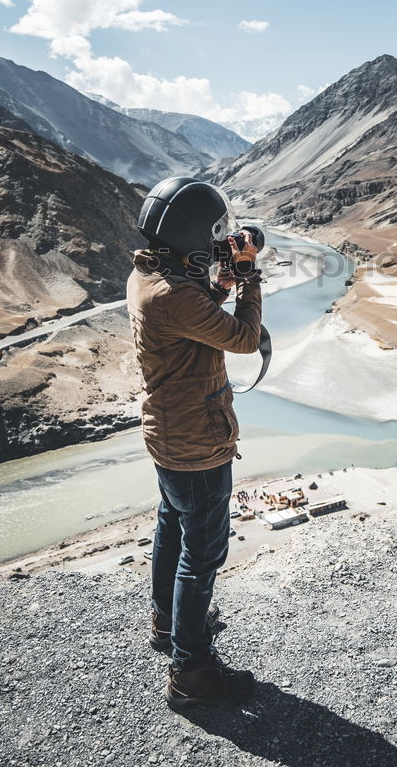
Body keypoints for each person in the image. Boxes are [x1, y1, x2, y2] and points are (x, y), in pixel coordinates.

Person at [126, 177, 262, 710]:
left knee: (171, 524)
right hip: (197, 441)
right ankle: (191, 671)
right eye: (212, 232)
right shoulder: (175, 294)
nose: (218, 240)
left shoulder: (148, 276)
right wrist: (249, 277)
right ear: (189, 234)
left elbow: (195, 313)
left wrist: (221, 280)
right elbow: (245, 339)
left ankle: (166, 622)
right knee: (201, 556)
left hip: (168, 432)